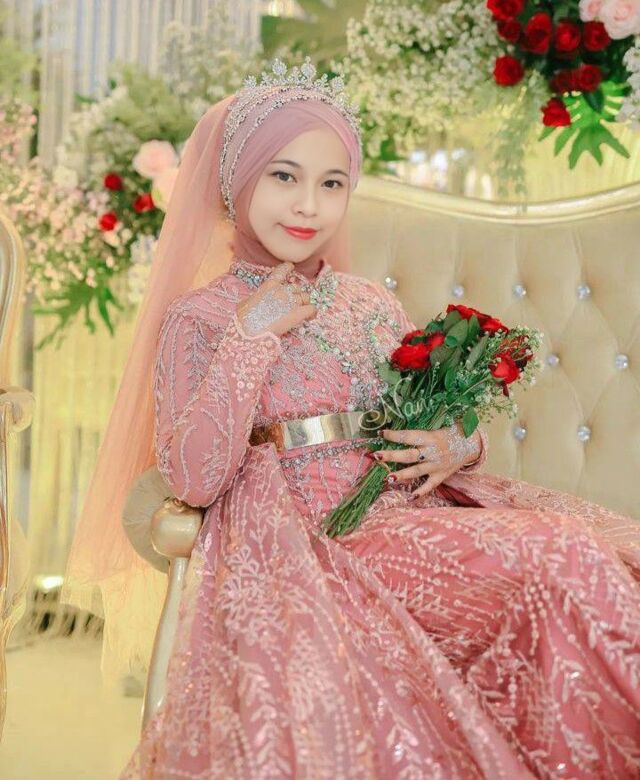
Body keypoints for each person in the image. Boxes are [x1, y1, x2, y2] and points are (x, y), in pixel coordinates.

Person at [61, 59, 640, 779]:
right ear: (236, 179)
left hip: (410, 518)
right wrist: (250, 337)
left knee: (584, 555)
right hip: (314, 548)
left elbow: (424, 412)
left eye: (332, 184)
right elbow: (194, 478)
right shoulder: (202, 319)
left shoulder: (370, 302)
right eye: (284, 176)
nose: (309, 204)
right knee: (561, 555)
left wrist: (458, 445)